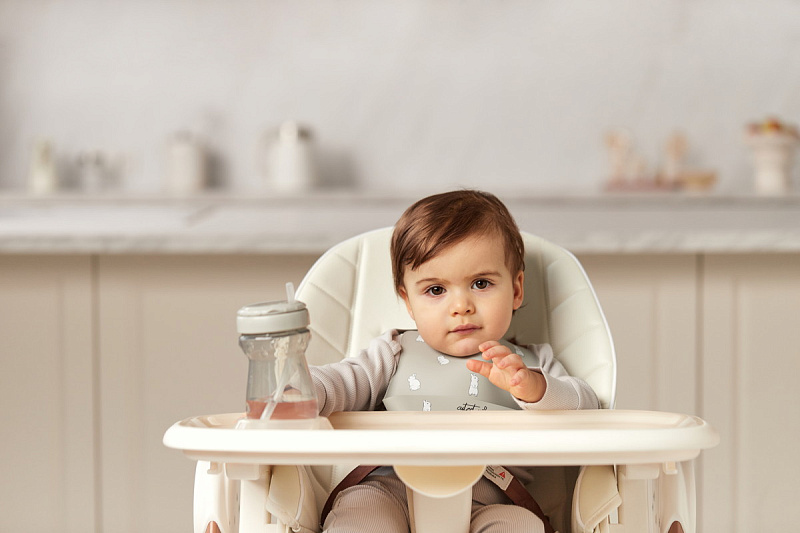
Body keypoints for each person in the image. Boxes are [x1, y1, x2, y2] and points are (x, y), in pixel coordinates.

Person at [310, 189, 599, 533]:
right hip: (389, 487)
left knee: (521, 525)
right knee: (361, 515)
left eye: (481, 283)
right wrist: (297, 389)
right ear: (408, 301)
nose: (461, 306)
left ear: (516, 289)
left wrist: (535, 389)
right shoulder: (393, 352)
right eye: (436, 290)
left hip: (491, 498)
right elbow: (340, 383)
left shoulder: (528, 364)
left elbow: (587, 406)